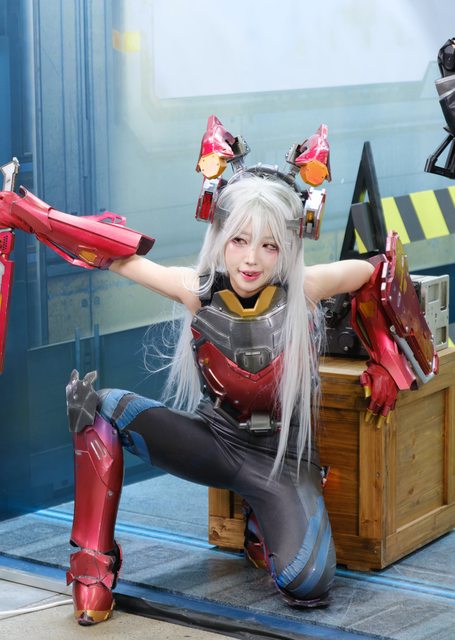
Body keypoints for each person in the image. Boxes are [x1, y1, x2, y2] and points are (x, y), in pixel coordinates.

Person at [0, 117, 437, 626]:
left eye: (269, 246)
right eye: (239, 241)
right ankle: (91, 568)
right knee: (96, 408)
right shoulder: (198, 289)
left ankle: (261, 522)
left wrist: (384, 356)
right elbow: (113, 257)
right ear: (220, 238)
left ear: (288, 247)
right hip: (214, 441)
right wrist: (31, 215)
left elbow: (377, 272)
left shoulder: (305, 288)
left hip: (281, 462)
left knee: (307, 583)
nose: (251, 259)